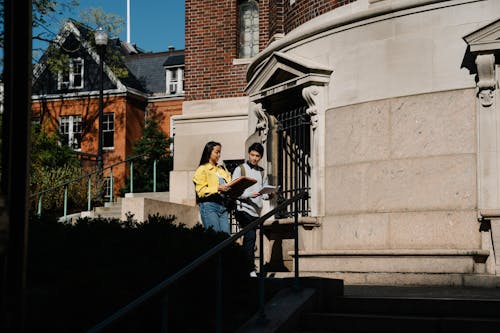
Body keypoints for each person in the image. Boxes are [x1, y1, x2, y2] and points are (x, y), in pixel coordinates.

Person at [232, 142, 273, 277]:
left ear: (260, 157)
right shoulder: (240, 169)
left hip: (256, 210)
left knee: (250, 240)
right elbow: (234, 191)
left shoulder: (262, 172)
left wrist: (269, 194)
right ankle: (250, 269)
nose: (254, 158)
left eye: (257, 156)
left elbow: (263, 192)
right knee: (250, 237)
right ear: (248, 154)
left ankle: (242, 267)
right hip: (242, 208)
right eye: (252, 155)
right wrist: (249, 195)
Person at [193, 141, 232, 234]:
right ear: (209, 152)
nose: (219, 155)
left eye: (220, 152)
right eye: (216, 152)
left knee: (226, 238)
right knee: (215, 238)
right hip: (209, 206)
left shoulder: (222, 169)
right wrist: (218, 188)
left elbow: (229, 184)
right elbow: (200, 191)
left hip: (223, 206)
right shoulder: (202, 169)